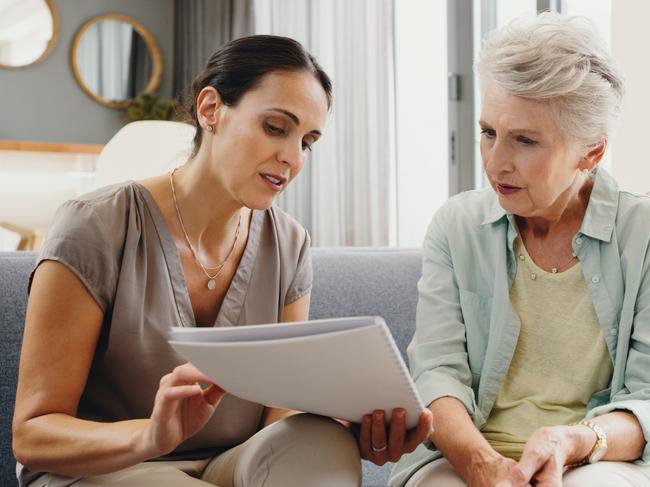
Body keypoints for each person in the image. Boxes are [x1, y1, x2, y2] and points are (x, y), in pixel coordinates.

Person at [12, 35, 430, 487]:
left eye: (306, 142)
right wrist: (150, 437)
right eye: (275, 127)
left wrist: (344, 428)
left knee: (319, 446)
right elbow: (34, 434)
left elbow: (280, 416)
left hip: (231, 466)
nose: (291, 158)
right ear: (210, 110)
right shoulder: (96, 225)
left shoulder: (289, 243)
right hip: (108, 467)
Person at [390, 13, 650, 487]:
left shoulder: (644, 234)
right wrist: (482, 466)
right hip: (465, 455)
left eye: (525, 141)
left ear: (590, 153)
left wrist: (571, 441)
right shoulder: (456, 226)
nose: (494, 162)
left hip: (598, 460)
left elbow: (648, 400)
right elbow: (437, 374)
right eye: (488, 132)